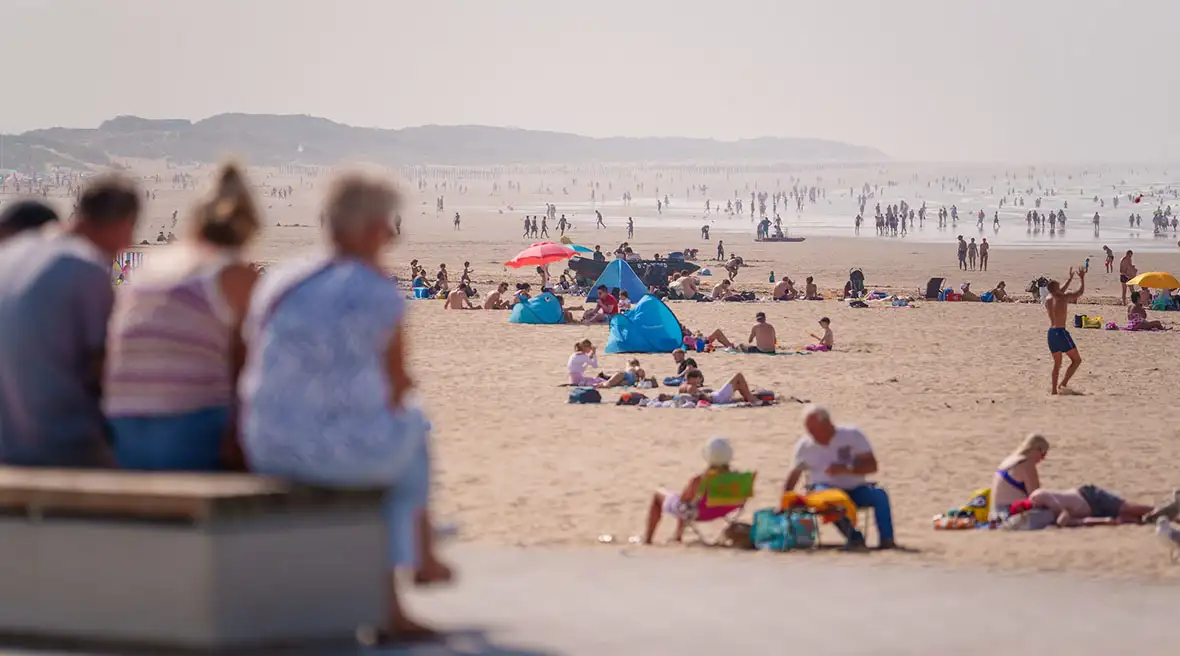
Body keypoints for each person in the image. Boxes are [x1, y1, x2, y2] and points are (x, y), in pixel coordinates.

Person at [239, 172, 452, 642]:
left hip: (266, 442)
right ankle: (413, 568)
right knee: (413, 426)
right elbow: (397, 385)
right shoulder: (376, 291)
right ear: (371, 228)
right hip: (337, 452)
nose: (392, 235)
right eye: (386, 224)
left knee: (397, 438)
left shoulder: (281, 279)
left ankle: (415, 566)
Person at [104, 164, 260, 471]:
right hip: (189, 424)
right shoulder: (232, 272)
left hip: (123, 421)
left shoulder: (147, 266)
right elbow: (249, 360)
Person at [0, 175, 140, 467]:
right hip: (63, 447)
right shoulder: (84, 266)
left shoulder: (12, 253)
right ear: (124, 224)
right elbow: (107, 368)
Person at [782, 405, 896, 549]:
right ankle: (855, 538)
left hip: (855, 489)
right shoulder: (805, 445)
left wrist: (846, 469)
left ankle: (887, 541)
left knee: (880, 495)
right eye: (809, 430)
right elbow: (793, 476)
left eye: (814, 429)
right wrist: (784, 499)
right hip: (823, 492)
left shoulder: (852, 435)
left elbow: (872, 466)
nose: (811, 434)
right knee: (831, 498)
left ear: (827, 424)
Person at [643, 437, 740, 544]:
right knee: (688, 503)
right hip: (722, 511)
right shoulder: (739, 479)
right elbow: (743, 499)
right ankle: (677, 535)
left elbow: (683, 499)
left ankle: (647, 539)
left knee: (660, 494)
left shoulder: (701, 480)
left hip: (699, 513)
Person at [1017, 486, 1154, 527]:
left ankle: (1164, 511)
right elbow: (1079, 521)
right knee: (1128, 519)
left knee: (1127, 508)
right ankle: (1157, 517)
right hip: (1091, 512)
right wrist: (1103, 521)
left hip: (1089, 496)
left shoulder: (1039, 496)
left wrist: (1060, 522)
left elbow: (1065, 512)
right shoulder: (1045, 518)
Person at [989, 434, 1048, 522]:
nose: (1043, 458)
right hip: (1012, 515)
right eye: (1043, 453)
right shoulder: (1027, 463)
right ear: (1036, 449)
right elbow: (1036, 496)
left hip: (995, 514)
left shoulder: (1010, 460)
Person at [1045, 267, 1085, 395]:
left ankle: (1053, 391)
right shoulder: (1063, 297)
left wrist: (1070, 279)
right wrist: (1082, 279)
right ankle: (1063, 384)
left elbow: (1058, 291)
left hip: (1051, 333)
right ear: (1056, 289)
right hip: (1061, 332)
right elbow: (1079, 293)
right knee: (1076, 360)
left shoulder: (1048, 299)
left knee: (1057, 364)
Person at [678, 369, 757, 404]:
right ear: (691, 378)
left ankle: (748, 396)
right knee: (738, 375)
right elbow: (705, 399)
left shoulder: (683, 386)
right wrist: (707, 394)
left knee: (738, 385)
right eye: (698, 379)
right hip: (718, 398)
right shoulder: (691, 387)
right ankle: (750, 398)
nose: (699, 381)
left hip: (717, 396)